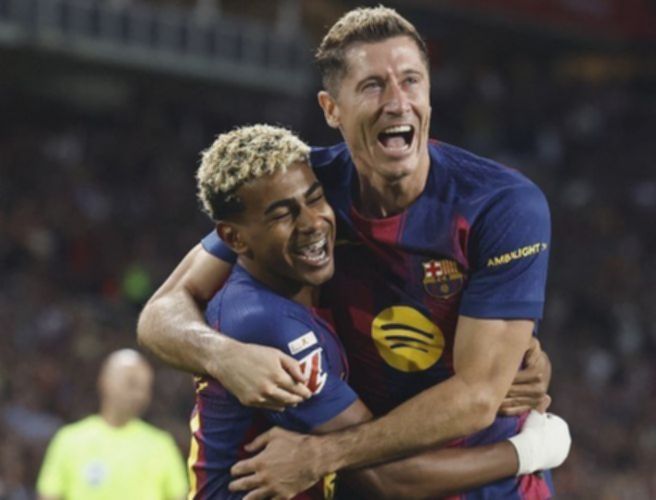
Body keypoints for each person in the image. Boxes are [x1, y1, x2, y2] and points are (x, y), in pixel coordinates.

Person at [138, 6, 559, 498]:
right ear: (331, 109)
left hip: (485, 482)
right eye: (373, 86)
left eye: (411, 81)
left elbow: (478, 397)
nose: (397, 102)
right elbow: (161, 312)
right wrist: (224, 356)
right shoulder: (307, 191)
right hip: (373, 471)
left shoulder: (501, 205)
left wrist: (324, 455)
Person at [188, 123, 569, 499]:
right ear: (234, 238)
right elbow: (388, 479)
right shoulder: (267, 325)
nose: (312, 222)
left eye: (315, 199)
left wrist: (510, 360)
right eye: (281, 215)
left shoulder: (301, 284)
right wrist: (534, 449)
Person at [36, 349, 188, 500]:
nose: (139, 394)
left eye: (145, 387)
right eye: (132, 383)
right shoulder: (69, 440)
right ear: (105, 381)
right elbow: (49, 495)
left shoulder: (161, 445)